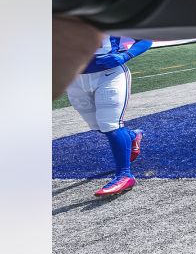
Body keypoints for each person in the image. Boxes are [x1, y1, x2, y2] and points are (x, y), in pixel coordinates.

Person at [65, 36, 152, 198]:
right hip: (74, 79)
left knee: (110, 124)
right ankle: (133, 136)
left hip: (109, 75)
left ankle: (124, 175)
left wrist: (126, 56)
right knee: (98, 126)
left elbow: (145, 39)